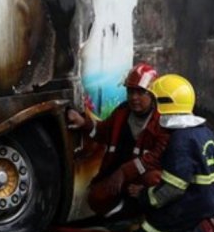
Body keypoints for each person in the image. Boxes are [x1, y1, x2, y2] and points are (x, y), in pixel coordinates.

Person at [123, 73, 214, 232]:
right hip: (206, 207)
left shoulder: (180, 140)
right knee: (146, 231)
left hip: (188, 210)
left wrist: (144, 196)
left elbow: (173, 188)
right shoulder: (205, 133)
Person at [67, 62, 169, 218]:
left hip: (144, 177)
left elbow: (157, 156)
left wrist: (126, 172)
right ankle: (124, 212)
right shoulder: (122, 112)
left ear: (152, 94)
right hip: (122, 177)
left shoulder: (161, 119)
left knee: (154, 179)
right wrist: (84, 123)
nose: (134, 97)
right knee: (96, 197)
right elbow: (102, 132)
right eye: (130, 91)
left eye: (140, 92)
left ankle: (147, 214)